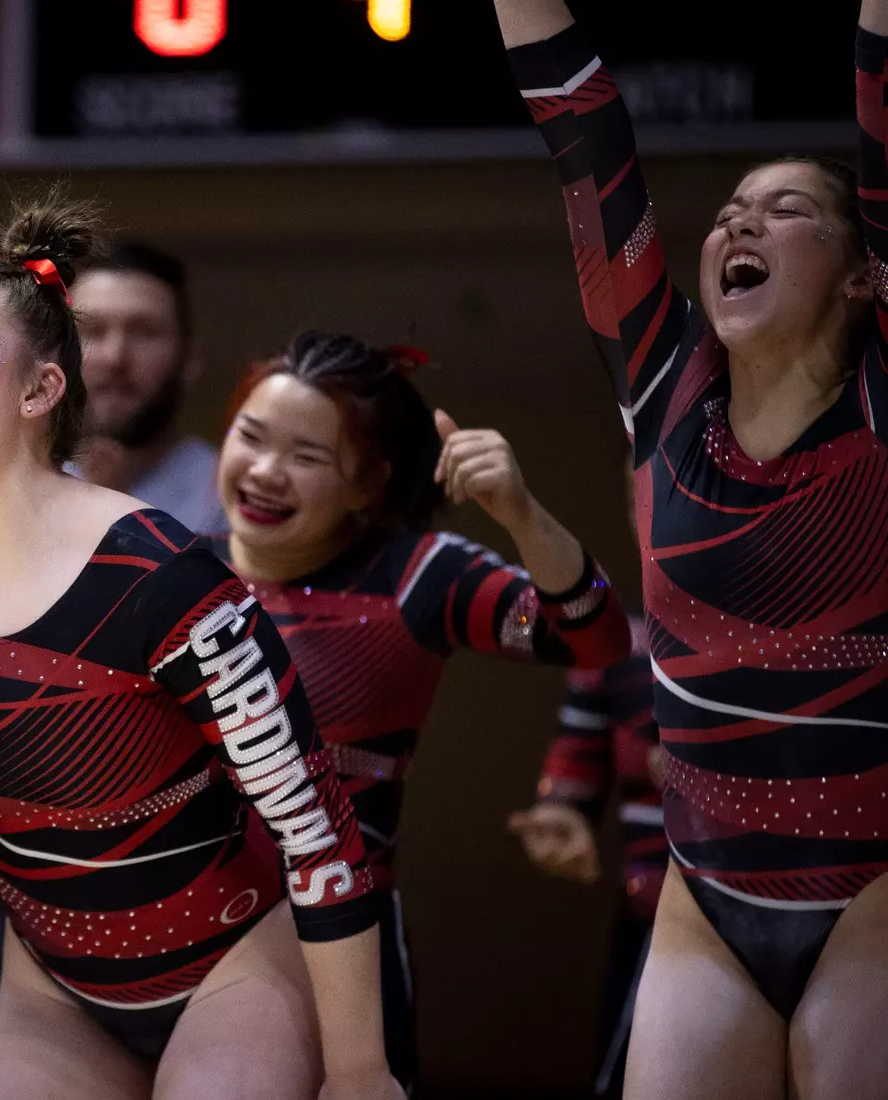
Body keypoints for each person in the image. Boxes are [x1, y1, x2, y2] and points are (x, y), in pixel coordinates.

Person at [0, 188, 404, 1100]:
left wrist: (358, 1072)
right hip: (50, 993)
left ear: (40, 389)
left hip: (234, 971)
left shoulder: (161, 574)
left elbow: (315, 827)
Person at [495, 1, 888, 1095]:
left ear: (865, 275)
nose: (738, 226)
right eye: (728, 212)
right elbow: (584, 136)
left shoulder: (879, 401)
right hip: (702, 901)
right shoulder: (663, 389)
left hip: (874, 896)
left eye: (787, 209)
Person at [209, 331, 632, 1089]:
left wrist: (520, 510)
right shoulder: (175, 572)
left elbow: (595, 637)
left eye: (308, 457)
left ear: (368, 484)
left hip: (337, 947)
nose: (266, 472)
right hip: (179, 932)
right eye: (251, 436)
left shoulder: (418, 575)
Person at [509, 465, 662, 1098]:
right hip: (654, 934)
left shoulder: (836, 654)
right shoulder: (617, 651)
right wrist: (560, 821)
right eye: (649, 503)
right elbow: (570, 784)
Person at [72, 242, 227, 535]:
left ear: (189, 360)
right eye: (91, 331)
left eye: (144, 333)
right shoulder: (10, 483)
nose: (114, 357)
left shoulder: (230, 497)